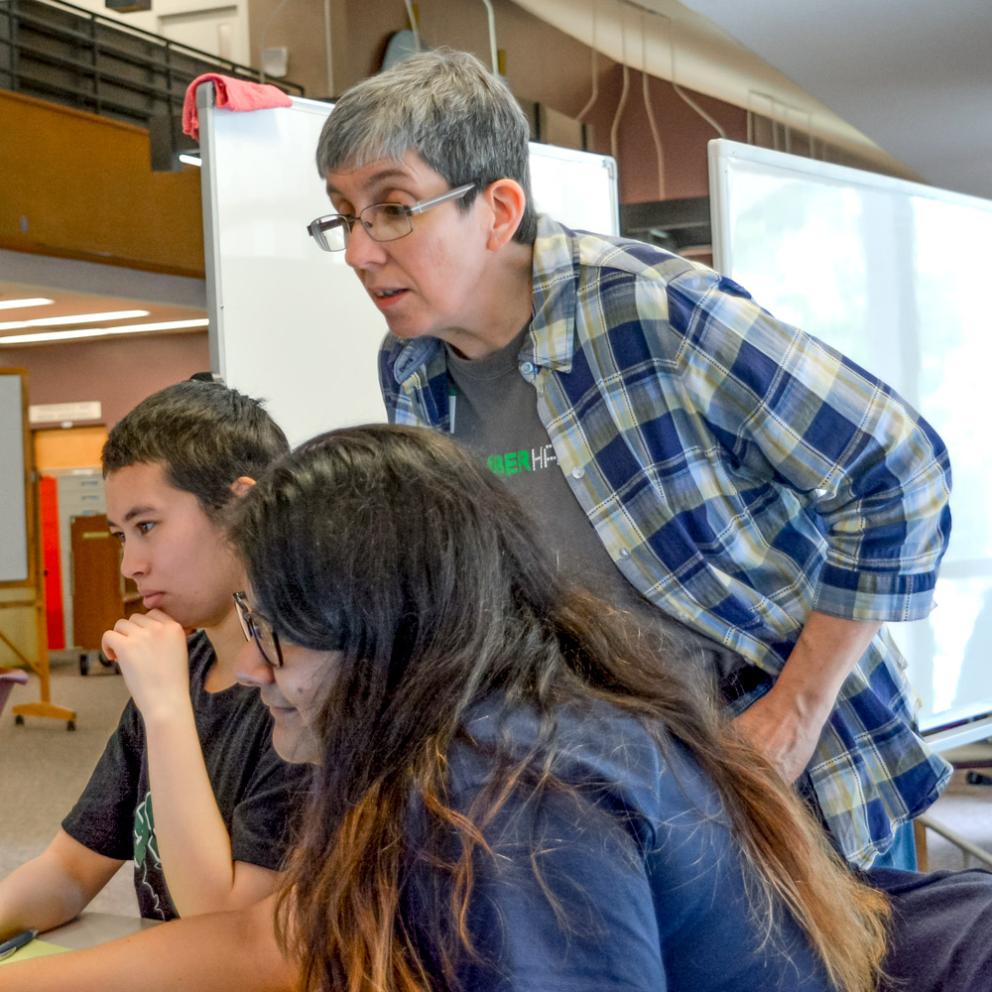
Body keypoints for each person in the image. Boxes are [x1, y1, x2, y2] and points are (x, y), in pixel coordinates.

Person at [4, 426, 989, 992]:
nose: (253, 667)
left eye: (274, 632)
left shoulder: (507, 791)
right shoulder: (482, 727)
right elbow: (278, 933)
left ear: (373, 635)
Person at [306, 48, 954, 868]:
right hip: (625, 797)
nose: (361, 252)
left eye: (393, 209)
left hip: (795, 772)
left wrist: (795, 712)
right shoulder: (410, 370)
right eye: (344, 215)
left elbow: (900, 467)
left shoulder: (651, 312)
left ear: (499, 209)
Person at [0, 380, 310, 937]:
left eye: (147, 527)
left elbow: (227, 937)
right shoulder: (182, 666)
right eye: (122, 536)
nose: (130, 565)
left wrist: (166, 710)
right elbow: (70, 870)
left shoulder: (304, 694)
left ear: (244, 508)